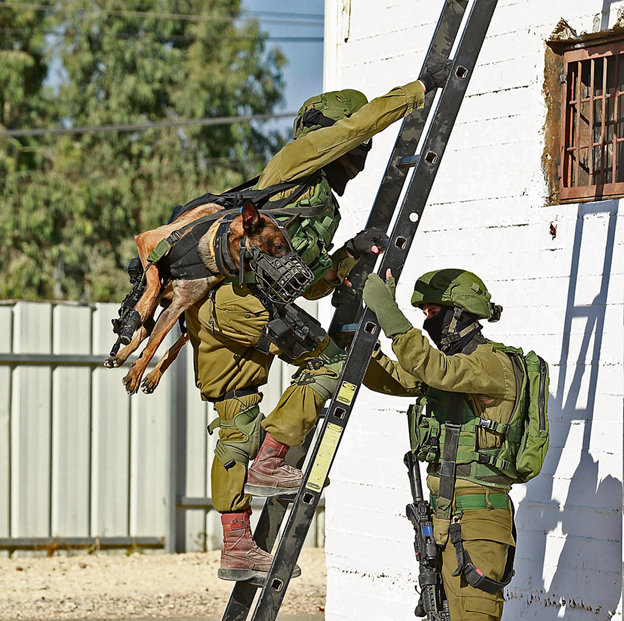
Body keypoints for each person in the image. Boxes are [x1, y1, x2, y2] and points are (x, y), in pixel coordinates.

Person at [184, 62, 453, 583]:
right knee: (332, 365)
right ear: (327, 136)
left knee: (235, 426)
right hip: (243, 305)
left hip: (219, 311)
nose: (359, 156)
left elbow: (303, 282)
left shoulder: (299, 198)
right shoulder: (297, 162)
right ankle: (272, 458)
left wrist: (347, 256)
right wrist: (419, 91)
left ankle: (237, 545)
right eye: (356, 148)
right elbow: (357, 126)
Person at [362, 268, 518, 621]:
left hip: (478, 518)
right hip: (443, 515)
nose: (428, 322)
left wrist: (389, 312)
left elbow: (433, 369)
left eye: (433, 313)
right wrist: (359, 333)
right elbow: (396, 378)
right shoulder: (455, 367)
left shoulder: (492, 364)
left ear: (459, 314)